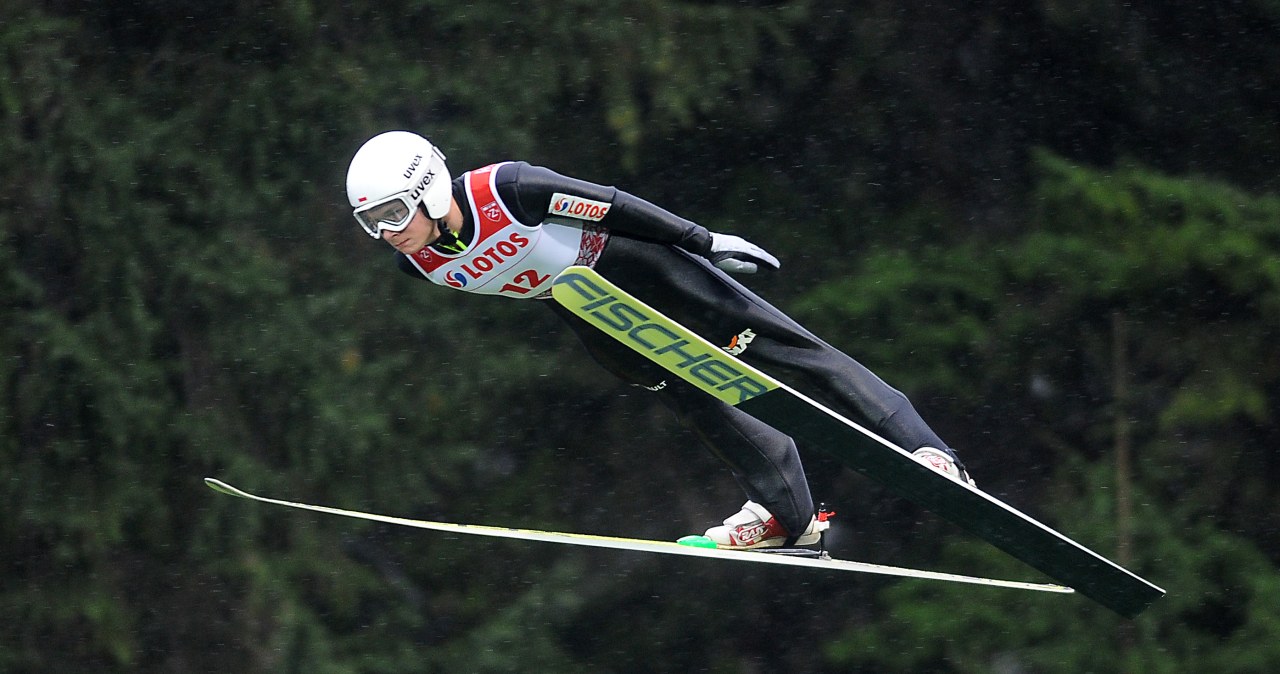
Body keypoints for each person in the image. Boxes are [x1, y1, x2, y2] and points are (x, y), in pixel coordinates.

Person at [345, 130, 974, 550]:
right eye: (371, 223)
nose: (387, 234)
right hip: (596, 317)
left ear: (428, 187)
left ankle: (929, 453)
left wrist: (704, 242)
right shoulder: (418, 261)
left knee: (786, 350)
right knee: (692, 395)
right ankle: (790, 517)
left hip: (644, 269)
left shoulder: (506, 190)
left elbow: (612, 206)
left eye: (392, 214)